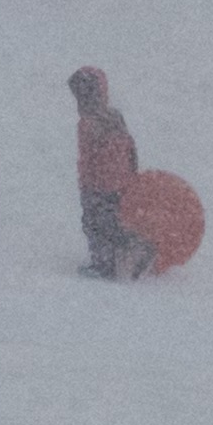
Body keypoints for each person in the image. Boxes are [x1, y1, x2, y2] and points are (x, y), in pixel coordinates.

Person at [67, 65, 152, 279]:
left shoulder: (87, 124)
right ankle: (132, 248)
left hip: (96, 184)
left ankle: (105, 265)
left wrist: (86, 182)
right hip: (119, 182)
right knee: (113, 222)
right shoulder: (115, 118)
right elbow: (130, 148)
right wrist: (131, 175)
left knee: (95, 226)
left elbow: (88, 159)